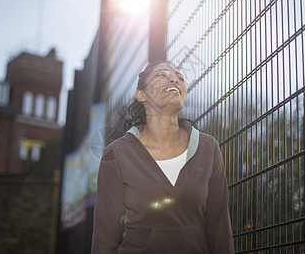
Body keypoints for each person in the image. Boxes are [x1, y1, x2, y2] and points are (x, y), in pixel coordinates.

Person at [92, 61, 234, 253]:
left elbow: (220, 230)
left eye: (180, 78)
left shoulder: (208, 148)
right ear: (141, 95)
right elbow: (103, 241)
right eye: (162, 75)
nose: (174, 79)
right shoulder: (117, 154)